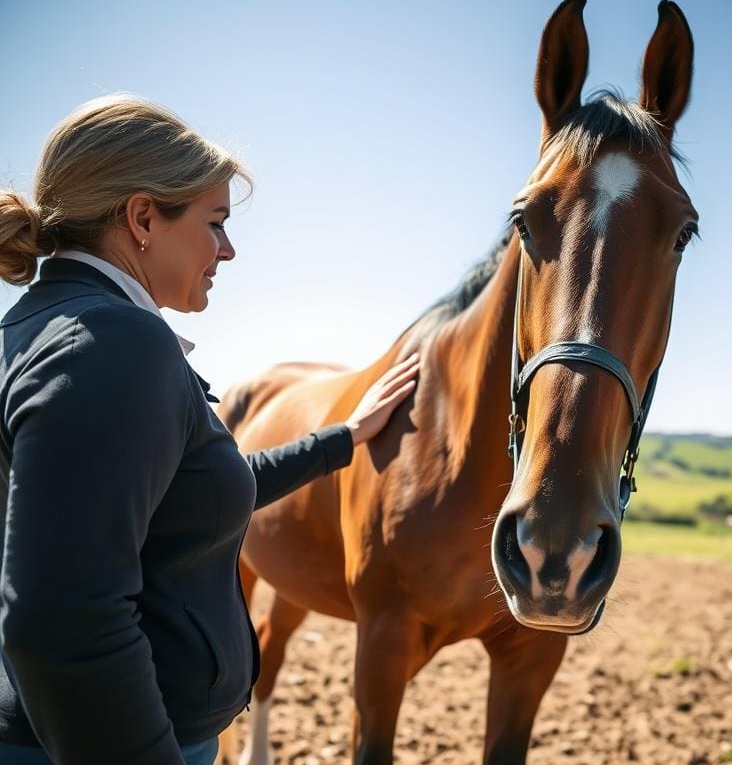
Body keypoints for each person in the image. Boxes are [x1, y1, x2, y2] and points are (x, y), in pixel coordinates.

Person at [0, 93, 420, 765]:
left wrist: (344, 436)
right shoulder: (110, 345)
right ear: (142, 217)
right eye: (216, 222)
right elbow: (62, 619)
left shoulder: (42, 325)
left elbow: (174, 494)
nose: (228, 249)